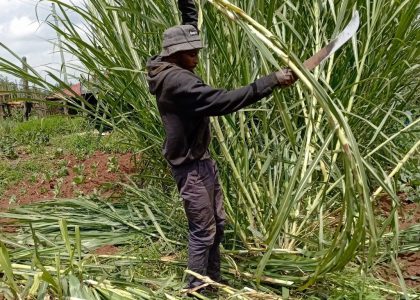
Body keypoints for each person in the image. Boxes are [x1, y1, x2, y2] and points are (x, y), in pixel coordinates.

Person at [146, 0, 297, 292]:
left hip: (201, 159)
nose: (197, 58)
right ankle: (197, 288)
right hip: (188, 167)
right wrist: (272, 80)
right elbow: (222, 101)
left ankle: (214, 281)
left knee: (218, 224)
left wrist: (187, 3)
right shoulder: (176, 82)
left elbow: (189, 26)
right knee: (203, 231)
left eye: (197, 51)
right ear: (176, 55)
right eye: (191, 54)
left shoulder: (167, 60)